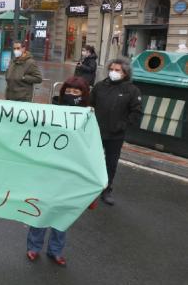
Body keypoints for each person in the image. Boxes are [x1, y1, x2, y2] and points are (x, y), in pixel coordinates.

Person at [26, 76, 92, 267]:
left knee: (62, 212)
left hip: (71, 172)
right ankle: (34, 247)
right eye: (68, 92)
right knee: (41, 208)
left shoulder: (88, 116)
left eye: (76, 92)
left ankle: (56, 250)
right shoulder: (51, 111)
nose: (71, 95)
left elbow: (92, 146)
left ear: (83, 94)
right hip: (49, 168)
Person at [90, 58, 142, 206]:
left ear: (125, 73)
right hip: (96, 132)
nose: (113, 72)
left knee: (110, 163)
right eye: (111, 69)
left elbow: (136, 112)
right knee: (93, 161)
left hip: (115, 135)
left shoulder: (132, 90)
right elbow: (90, 104)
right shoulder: (100, 86)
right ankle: (90, 187)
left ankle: (106, 190)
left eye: (117, 70)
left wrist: (122, 125)